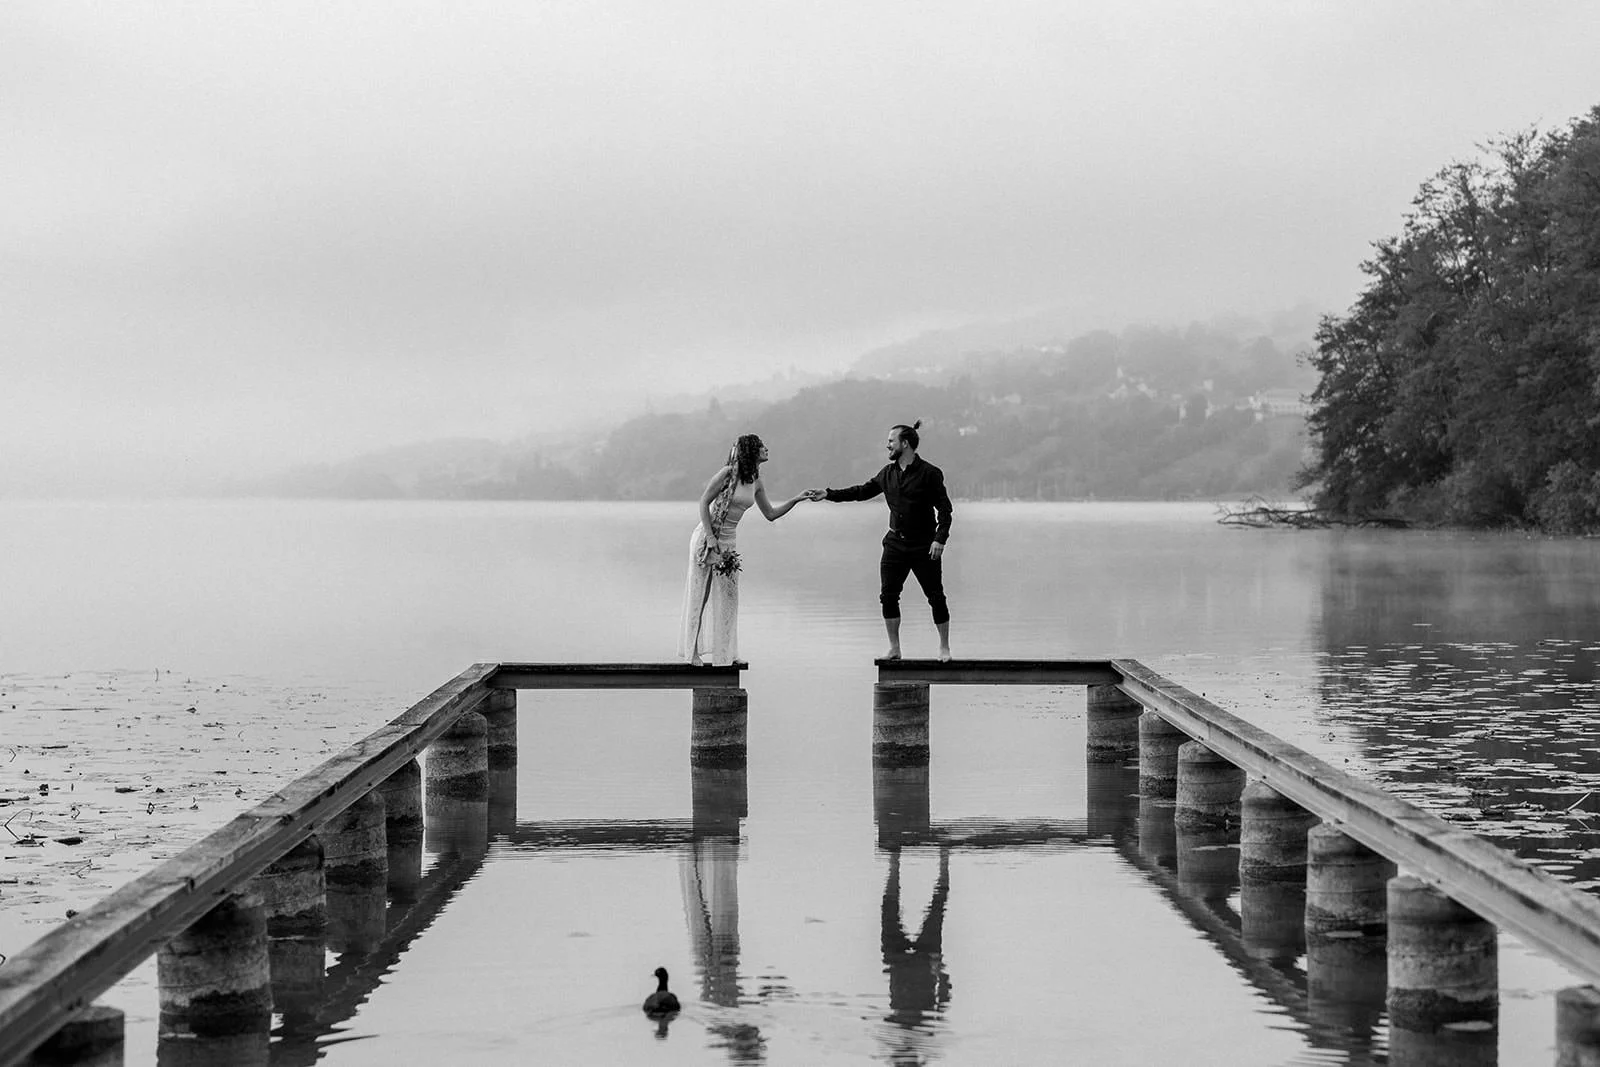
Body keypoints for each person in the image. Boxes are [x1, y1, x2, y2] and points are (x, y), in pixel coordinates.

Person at [806, 420, 953, 661]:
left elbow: (945, 511)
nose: (887, 446)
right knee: (888, 596)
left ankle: (944, 648)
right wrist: (828, 494)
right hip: (895, 544)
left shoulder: (930, 473)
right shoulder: (887, 474)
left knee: (935, 596)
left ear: (905, 443)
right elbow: (861, 492)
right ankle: (894, 648)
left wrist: (940, 539)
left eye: (891, 442)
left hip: (924, 546)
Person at [679, 434, 808, 665]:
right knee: (703, 594)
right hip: (708, 536)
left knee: (729, 597)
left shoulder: (756, 481)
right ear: (751, 450)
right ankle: (693, 652)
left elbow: (771, 514)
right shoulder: (727, 474)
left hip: (729, 542)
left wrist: (796, 499)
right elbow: (703, 502)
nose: (767, 449)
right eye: (762, 446)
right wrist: (709, 537)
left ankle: (727, 653)